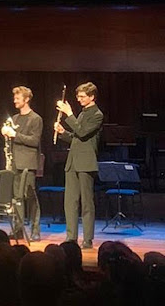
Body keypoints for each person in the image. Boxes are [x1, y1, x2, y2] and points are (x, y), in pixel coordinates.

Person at [54, 82, 103, 249]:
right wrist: (62, 133)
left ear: (92, 97)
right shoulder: (82, 114)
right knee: (70, 202)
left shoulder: (97, 114)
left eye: (82, 96)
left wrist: (69, 114)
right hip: (73, 162)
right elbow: (76, 137)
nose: (79, 99)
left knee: (87, 204)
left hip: (86, 163)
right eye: (78, 96)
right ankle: (71, 238)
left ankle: (87, 240)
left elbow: (82, 132)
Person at [1, 86, 43, 241]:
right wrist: (5, 133)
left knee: (30, 197)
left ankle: (35, 230)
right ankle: (18, 229)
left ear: (26, 100)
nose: (15, 101)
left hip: (28, 164)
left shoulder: (35, 119)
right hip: (15, 163)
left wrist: (15, 135)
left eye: (17, 98)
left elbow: (34, 141)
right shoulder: (15, 118)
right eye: (14, 98)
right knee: (16, 199)